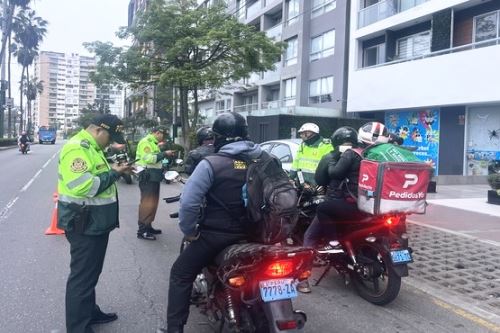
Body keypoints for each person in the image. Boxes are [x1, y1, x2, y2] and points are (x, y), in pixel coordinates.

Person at [164, 112, 262, 333]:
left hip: (217, 236)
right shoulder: (265, 159)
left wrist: (189, 231)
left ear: (217, 137)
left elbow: (189, 204)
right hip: (259, 234)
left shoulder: (212, 163)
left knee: (180, 273)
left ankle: (174, 329)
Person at [57, 114, 133, 333]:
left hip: (94, 222)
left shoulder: (92, 147)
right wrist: (115, 173)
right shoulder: (77, 148)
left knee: (91, 274)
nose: (111, 142)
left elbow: (97, 173)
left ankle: (89, 311)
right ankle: (78, 327)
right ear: (99, 130)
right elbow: (84, 186)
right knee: (82, 278)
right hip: (84, 223)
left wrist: (114, 168)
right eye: (110, 136)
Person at [298, 126, 368, 293]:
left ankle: (302, 279)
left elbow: (320, 179)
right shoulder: (367, 154)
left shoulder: (332, 156)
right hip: (365, 205)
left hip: (339, 203)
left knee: (310, 236)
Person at [135, 126, 176, 240]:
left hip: (154, 176)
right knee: (147, 203)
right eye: (162, 135)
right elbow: (149, 159)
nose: (163, 138)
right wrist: (164, 154)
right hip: (148, 176)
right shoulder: (146, 142)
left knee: (153, 203)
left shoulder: (153, 143)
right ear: (157, 133)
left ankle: (148, 226)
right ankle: (142, 230)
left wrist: (165, 155)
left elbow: (156, 160)